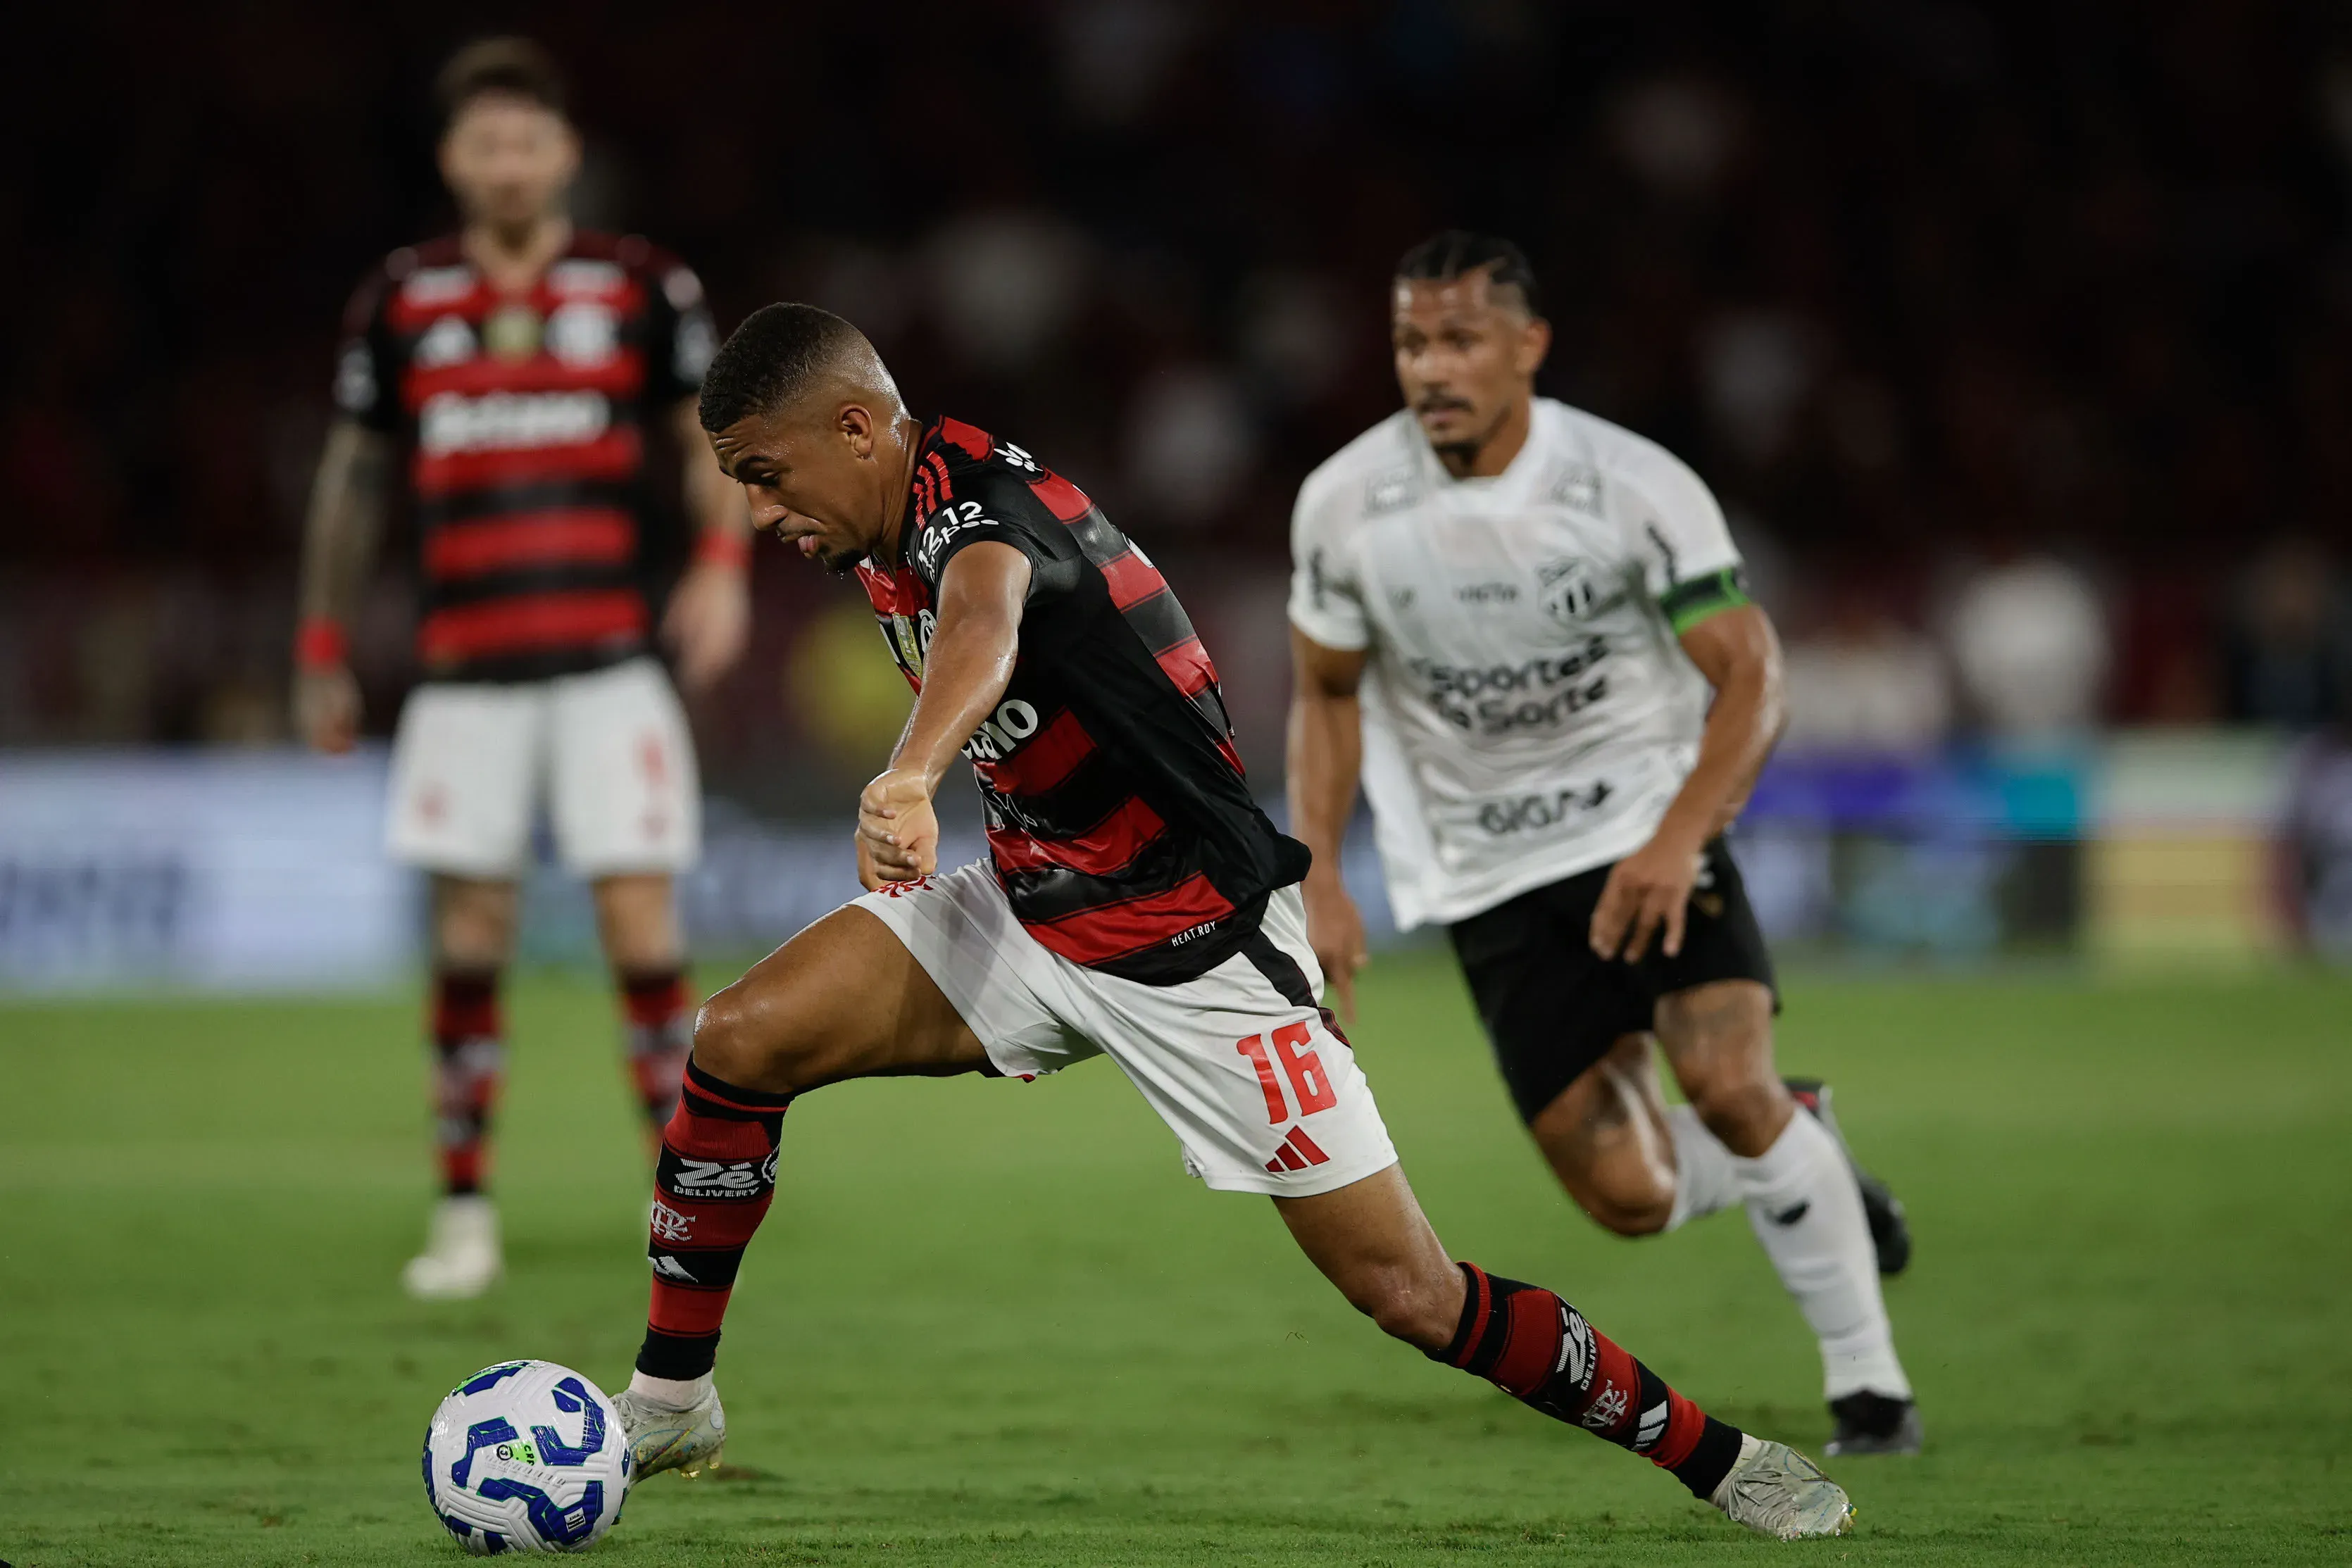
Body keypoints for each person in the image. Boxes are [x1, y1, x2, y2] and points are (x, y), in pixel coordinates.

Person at [602, 301, 1853, 1541]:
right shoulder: (879, 522)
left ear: (856, 429)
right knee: (738, 1039)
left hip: (1199, 943)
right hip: (1037, 909)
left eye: (765, 475)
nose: (757, 513)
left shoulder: (982, 511)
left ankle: (1725, 1458)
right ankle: (671, 1401)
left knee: (1413, 1293)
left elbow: (985, 618)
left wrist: (910, 774)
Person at [1284, 232, 1920, 1456]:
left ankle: (1872, 1392)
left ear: (1530, 345)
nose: (1432, 368)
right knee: (1626, 1194)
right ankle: (1808, 1149)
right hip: (1483, 872)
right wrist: (1316, 868)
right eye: (1412, 343)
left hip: (1643, 833)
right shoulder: (1345, 502)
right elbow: (1324, 691)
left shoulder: (1631, 485)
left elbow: (1754, 674)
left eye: (1461, 339)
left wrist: (1680, 838)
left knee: (1727, 1082)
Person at [292, 39, 751, 1300]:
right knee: (471, 934)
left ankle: (682, 1202)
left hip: (610, 665)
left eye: (526, 141)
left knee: (641, 925)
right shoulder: (402, 299)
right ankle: (462, 1210)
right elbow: (352, 478)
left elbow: (707, 434)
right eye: (484, 143)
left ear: (564, 154)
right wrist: (322, 642)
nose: (507, 163)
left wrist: (722, 566)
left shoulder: (641, 285)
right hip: (463, 676)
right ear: (453, 159)